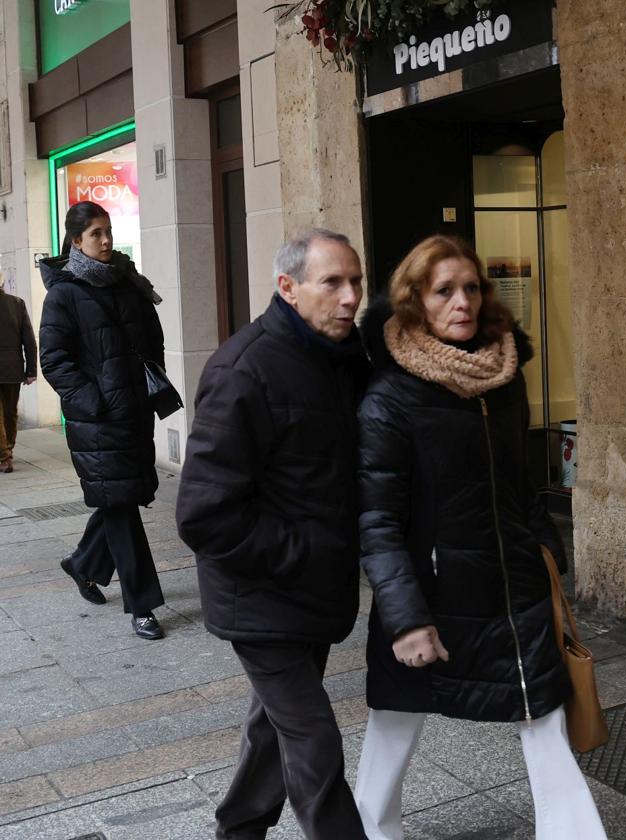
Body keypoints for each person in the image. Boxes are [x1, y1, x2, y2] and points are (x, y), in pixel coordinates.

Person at [354, 235, 607, 839]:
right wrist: (407, 618)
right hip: (432, 595)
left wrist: (543, 549)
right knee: (395, 719)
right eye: (444, 291)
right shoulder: (389, 400)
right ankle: (367, 829)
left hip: (513, 585)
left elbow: (520, 484)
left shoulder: (505, 377)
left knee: (542, 715)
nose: (462, 302)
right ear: (414, 302)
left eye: (471, 287)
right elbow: (378, 520)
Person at [176, 229, 369, 840]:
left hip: (314, 593)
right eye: (331, 283)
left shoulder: (344, 359)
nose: (349, 298)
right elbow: (204, 514)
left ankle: (238, 831)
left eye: (356, 282)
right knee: (313, 740)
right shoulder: (242, 369)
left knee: (274, 728)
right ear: (288, 288)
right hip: (260, 598)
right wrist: (308, 552)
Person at [40, 201, 167, 639]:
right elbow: (54, 361)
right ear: (77, 241)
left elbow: (152, 339)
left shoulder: (128, 282)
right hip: (96, 421)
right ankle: (143, 604)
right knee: (120, 506)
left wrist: (150, 387)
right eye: (95, 233)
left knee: (121, 496)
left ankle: (83, 564)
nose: (106, 240)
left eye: (108, 230)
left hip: (133, 413)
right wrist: (93, 402)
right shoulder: (64, 293)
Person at [0, 284, 36, 473]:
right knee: (10, 412)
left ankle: (4, 456)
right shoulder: (16, 303)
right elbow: (29, 339)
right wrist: (31, 370)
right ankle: (8, 450)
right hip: (12, 368)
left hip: (11, 368)